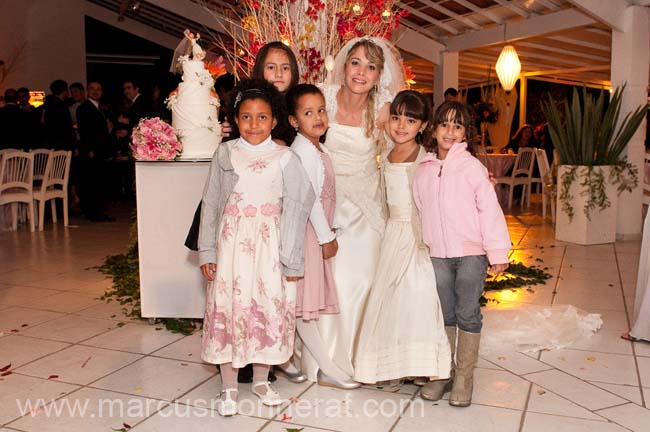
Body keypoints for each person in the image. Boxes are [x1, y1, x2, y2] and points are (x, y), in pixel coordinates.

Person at [198, 78, 315, 417]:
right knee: (231, 307)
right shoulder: (225, 153)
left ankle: (263, 380)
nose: (254, 124)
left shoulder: (285, 157)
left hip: (269, 250)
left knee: (265, 308)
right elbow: (210, 203)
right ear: (235, 119)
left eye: (262, 117)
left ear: (274, 120)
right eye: (246, 117)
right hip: (231, 247)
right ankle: (229, 386)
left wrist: (291, 259)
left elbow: (299, 203)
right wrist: (208, 251)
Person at [299, 37, 405, 384]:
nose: (361, 72)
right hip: (324, 196)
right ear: (344, 66)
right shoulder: (323, 98)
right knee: (323, 274)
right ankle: (319, 358)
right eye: (356, 63)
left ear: (379, 75)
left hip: (364, 200)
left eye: (370, 66)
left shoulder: (383, 108)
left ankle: (356, 358)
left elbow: (398, 152)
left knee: (358, 276)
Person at [413, 101, 511, 407]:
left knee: (467, 312)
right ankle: (444, 372)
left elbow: (490, 211)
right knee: (444, 313)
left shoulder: (472, 168)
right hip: (438, 255)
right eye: (444, 124)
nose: (450, 131)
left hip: (470, 254)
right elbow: (419, 207)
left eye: (457, 126)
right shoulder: (424, 170)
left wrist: (497, 252)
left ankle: (465, 376)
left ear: (466, 132)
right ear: (434, 129)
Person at [354, 90, 451, 388]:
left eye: (410, 120)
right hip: (392, 232)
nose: (401, 125)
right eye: (396, 118)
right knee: (390, 297)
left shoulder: (427, 159)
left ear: (423, 126)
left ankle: (421, 364)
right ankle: (391, 365)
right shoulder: (384, 153)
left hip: (416, 234)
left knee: (418, 296)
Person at [286, 84, 360, 389]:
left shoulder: (316, 148)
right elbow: (310, 200)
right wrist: (326, 236)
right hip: (307, 236)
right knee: (303, 309)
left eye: (321, 110)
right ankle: (325, 368)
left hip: (313, 234)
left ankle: (286, 357)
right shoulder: (302, 151)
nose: (317, 117)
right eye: (308, 113)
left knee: (302, 307)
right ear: (293, 121)